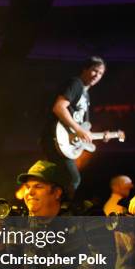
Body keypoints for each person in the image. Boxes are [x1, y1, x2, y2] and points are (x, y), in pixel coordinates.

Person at [15, 160, 113, 269]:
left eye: (38, 186)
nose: (30, 192)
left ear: (57, 193)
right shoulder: (26, 220)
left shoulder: (87, 215)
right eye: (27, 187)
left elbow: (102, 261)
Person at [40, 56, 106, 195]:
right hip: (55, 139)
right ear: (85, 69)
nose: (97, 75)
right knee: (72, 179)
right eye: (95, 70)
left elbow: (83, 126)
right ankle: (62, 213)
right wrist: (78, 129)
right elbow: (59, 107)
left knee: (59, 181)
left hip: (64, 141)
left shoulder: (86, 95)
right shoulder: (75, 83)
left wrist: (100, 136)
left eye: (101, 73)